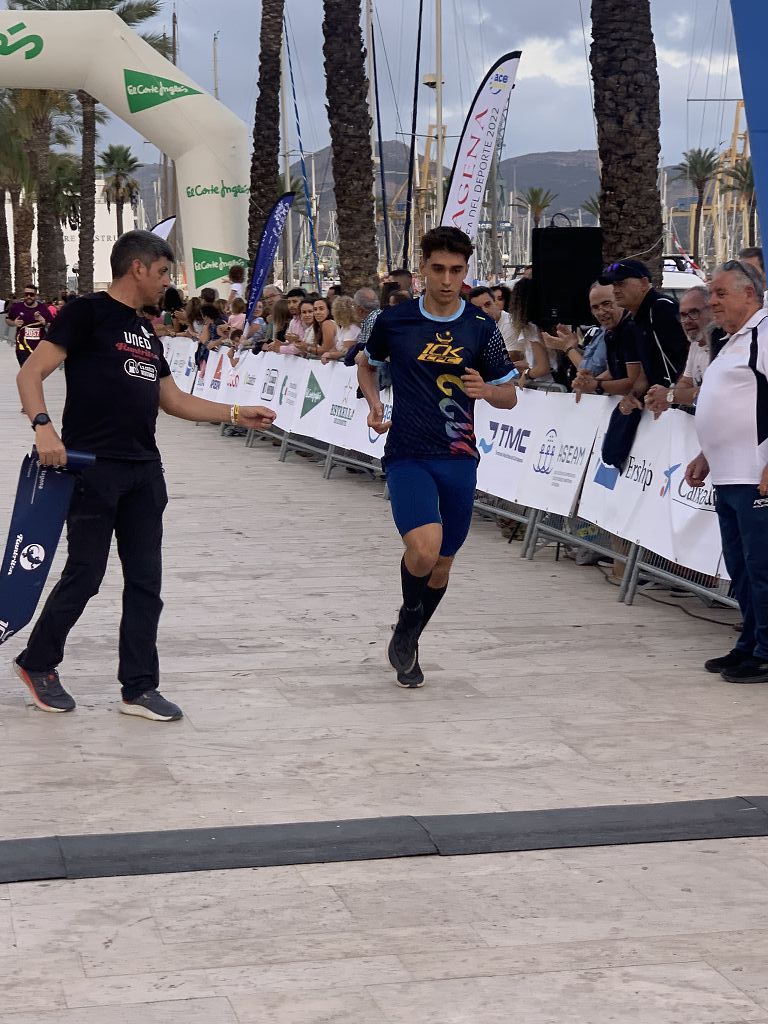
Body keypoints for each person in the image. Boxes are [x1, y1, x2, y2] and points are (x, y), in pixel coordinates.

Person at [13, 230, 276, 719]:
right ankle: (38, 662)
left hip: (143, 471)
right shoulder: (85, 314)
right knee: (86, 574)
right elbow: (30, 374)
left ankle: (138, 687)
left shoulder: (145, 331)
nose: (165, 284)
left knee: (145, 584)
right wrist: (44, 429)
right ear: (137, 268)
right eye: (161, 273)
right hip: (93, 468)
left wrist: (237, 413)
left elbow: (172, 400)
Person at [358, 226, 518, 689]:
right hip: (408, 452)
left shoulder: (481, 328)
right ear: (422, 268)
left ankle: (408, 635)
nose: (447, 279)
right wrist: (374, 403)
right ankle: (409, 620)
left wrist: (487, 390)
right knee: (423, 549)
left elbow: (510, 395)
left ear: (466, 271)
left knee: (443, 563)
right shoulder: (396, 321)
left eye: (457, 270)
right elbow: (366, 361)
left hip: (459, 457)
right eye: (438, 269)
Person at [685, 260, 768, 683]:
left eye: (719, 293)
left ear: (749, 294)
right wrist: (705, 452)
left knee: (763, 567)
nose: (711, 302)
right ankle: (751, 644)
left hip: (757, 475)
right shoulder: (733, 340)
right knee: (741, 567)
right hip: (728, 474)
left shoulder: (765, 334)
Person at [599, 259, 688, 412]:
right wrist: (633, 395)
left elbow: (689, 354)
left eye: (621, 283)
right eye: (613, 285)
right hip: (662, 404)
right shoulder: (637, 319)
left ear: (644, 283)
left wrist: (674, 397)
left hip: (678, 407)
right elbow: (643, 373)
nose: (615, 290)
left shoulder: (661, 308)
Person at [644, 286, 715, 416]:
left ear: (712, 310)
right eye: (682, 315)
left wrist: (669, 396)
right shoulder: (696, 344)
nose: (687, 321)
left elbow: (711, 393)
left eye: (693, 313)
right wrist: (661, 397)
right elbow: (686, 381)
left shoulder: (723, 344)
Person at [570, 283, 644, 401]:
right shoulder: (610, 331)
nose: (601, 312)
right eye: (595, 307)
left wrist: (596, 385)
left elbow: (633, 382)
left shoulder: (631, 329)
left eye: (606, 304)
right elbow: (614, 372)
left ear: (619, 301)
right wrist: (587, 383)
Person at [507, 277, 553, 385]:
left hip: (546, 386)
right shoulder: (543, 325)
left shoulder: (532, 329)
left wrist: (526, 374)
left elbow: (543, 368)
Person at [6, 284, 53, 368]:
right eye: (26, 294)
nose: (28, 296)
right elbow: (8, 320)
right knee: (27, 371)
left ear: (35, 296)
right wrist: (14, 323)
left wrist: (44, 322)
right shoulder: (16, 307)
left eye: (31, 295)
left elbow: (52, 324)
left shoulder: (43, 308)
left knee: (36, 373)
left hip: (39, 347)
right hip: (22, 347)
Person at [468, 285, 515, 352]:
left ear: (495, 302)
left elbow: (512, 356)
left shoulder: (510, 323)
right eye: (479, 309)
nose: (484, 311)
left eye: (487, 304)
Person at [320, 295, 360, 362]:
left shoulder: (352, 329)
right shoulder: (344, 327)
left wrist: (329, 355)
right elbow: (337, 348)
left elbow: (346, 352)